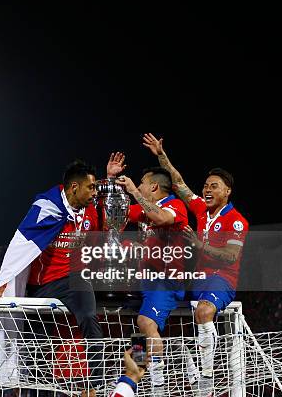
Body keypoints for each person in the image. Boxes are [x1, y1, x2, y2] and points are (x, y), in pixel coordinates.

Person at [0, 158, 126, 393]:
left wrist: (111, 179)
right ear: (74, 187)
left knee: (89, 318)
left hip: (74, 279)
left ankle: (95, 386)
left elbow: (110, 224)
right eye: (90, 187)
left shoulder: (91, 208)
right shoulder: (46, 208)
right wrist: (4, 285)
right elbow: (21, 246)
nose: (94, 193)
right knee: (35, 344)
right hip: (43, 285)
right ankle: (30, 389)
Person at [142, 133, 249, 396]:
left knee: (202, 312)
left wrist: (200, 246)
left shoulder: (236, 221)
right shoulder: (201, 210)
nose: (207, 190)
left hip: (220, 279)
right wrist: (160, 154)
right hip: (191, 278)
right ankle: (153, 378)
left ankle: (206, 379)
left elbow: (231, 257)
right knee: (149, 319)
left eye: (214, 186)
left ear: (227, 191)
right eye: (206, 186)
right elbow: (178, 182)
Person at [111, 166, 189, 395]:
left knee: (146, 322)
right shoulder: (144, 210)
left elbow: (160, 217)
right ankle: (139, 374)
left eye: (143, 183)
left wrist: (135, 191)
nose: (140, 186)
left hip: (166, 281)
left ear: (153, 186)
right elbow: (117, 212)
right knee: (137, 328)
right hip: (145, 280)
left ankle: (158, 385)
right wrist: (111, 180)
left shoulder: (176, 206)